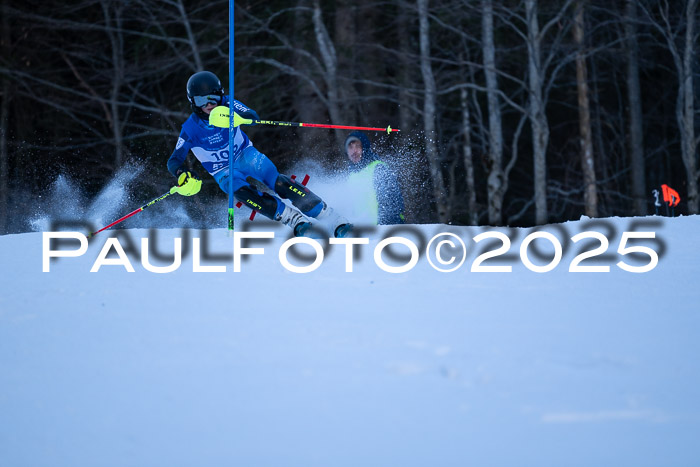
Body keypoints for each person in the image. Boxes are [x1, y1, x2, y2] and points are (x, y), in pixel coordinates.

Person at [167, 70, 350, 237]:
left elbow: (252, 116)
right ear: (193, 102)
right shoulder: (190, 129)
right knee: (243, 193)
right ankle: (294, 220)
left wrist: (237, 118)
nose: (208, 105)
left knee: (278, 182)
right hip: (223, 170)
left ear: (220, 95)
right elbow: (174, 160)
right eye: (201, 100)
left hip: (246, 155)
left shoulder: (228, 104)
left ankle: (332, 219)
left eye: (212, 98)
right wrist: (183, 173)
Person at [344, 131, 405, 224]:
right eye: (350, 147)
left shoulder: (378, 168)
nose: (354, 151)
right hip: (365, 234)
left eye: (357, 146)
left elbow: (392, 204)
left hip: (384, 230)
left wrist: (384, 228)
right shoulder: (350, 176)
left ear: (365, 148)